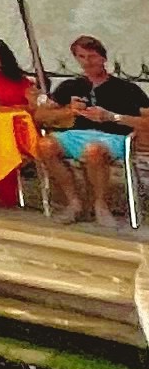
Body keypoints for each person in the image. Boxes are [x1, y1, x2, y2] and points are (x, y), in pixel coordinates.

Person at [45, 32, 144, 226]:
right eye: (81, 57)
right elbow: (42, 116)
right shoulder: (70, 86)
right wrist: (68, 111)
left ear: (103, 58)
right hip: (75, 135)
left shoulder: (126, 89)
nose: (87, 62)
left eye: (91, 56)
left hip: (112, 137)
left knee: (93, 150)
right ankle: (74, 202)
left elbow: (147, 121)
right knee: (44, 145)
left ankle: (100, 204)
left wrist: (112, 117)